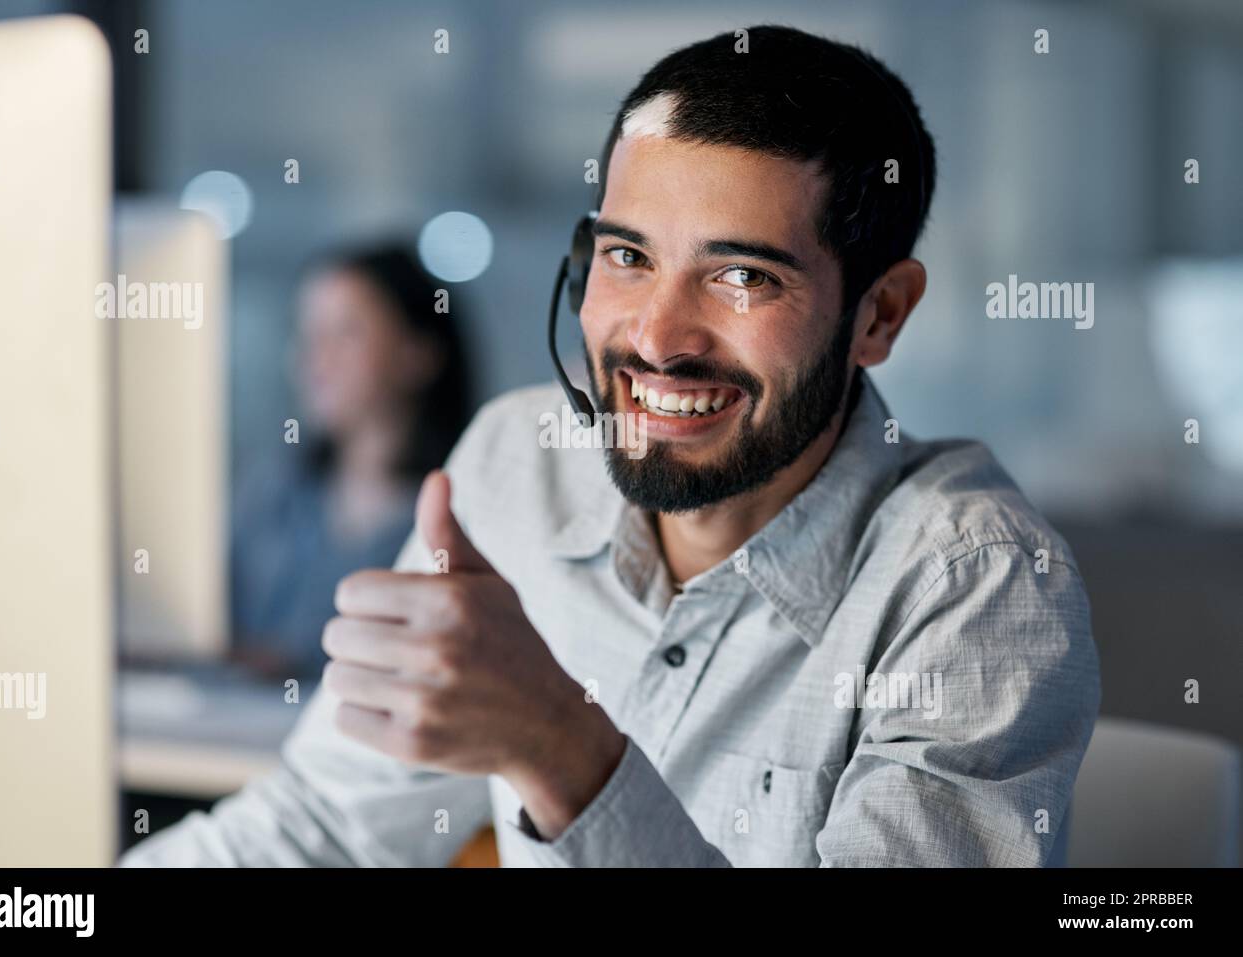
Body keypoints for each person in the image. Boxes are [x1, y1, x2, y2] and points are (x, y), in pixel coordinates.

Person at [123, 25, 1100, 867]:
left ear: (879, 314)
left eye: (742, 278)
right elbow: (318, 830)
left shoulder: (975, 584)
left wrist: (559, 745)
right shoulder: (517, 465)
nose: (656, 338)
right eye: (627, 258)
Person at [229, 244, 472, 680]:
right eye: (308, 334)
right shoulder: (273, 491)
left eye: (346, 332)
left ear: (419, 354)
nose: (315, 358)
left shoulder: (464, 512)